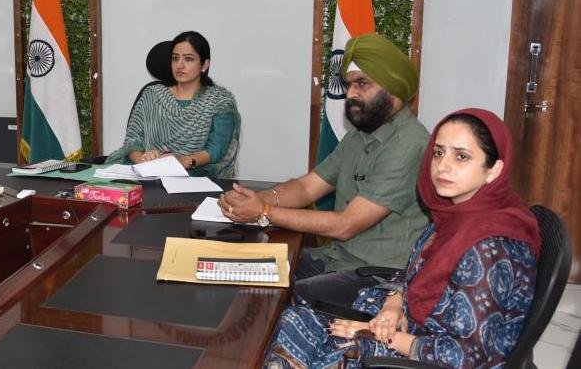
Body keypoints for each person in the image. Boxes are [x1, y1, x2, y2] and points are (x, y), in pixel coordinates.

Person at [264, 109, 540, 368]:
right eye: (438, 153)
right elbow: (412, 274)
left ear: (494, 170)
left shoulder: (489, 248)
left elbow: (467, 355)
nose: (443, 167)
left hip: (424, 356)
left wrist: (384, 337)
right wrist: (394, 302)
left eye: (461, 157)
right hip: (408, 329)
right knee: (288, 319)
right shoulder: (452, 218)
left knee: (287, 339)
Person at [221, 33, 429, 306]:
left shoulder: (408, 144)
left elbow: (346, 225)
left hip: (379, 277)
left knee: (273, 299)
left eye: (362, 83)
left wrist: (263, 212)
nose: (350, 94)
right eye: (349, 84)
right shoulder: (360, 134)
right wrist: (255, 199)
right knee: (240, 268)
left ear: (393, 87)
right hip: (336, 258)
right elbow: (307, 187)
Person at [104, 31, 240, 177]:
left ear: (204, 64)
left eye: (188, 59)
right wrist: (143, 160)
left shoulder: (219, 101)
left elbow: (216, 149)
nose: (179, 65)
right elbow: (132, 141)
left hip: (194, 174)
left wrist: (182, 162)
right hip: (146, 173)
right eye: (175, 58)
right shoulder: (152, 95)